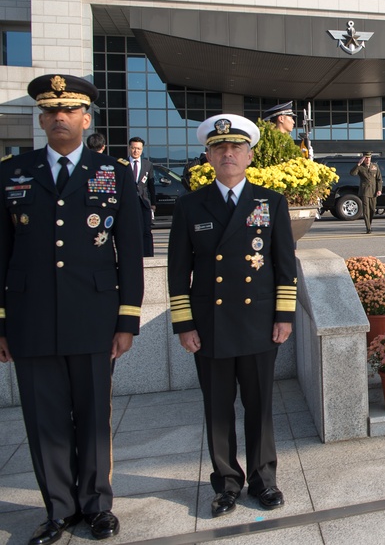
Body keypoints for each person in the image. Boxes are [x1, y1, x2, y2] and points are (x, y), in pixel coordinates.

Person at [0, 74, 144, 544]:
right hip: (31, 318)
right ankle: (58, 511)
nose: (59, 117)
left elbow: (129, 253)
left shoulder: (115, 173)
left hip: (94, 317)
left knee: (93, 414)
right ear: (40, 119)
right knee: (44, 419)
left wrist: (127, 320)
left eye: (69, 110)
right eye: (50, 111)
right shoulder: (13, 172)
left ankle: (97, 506)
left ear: (86, 118)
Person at [168, 114, 295, 519]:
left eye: (236, 147)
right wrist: (184, 324)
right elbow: (177, 271)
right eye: (220, 148)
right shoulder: (190, 206)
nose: (228, 154)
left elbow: (284, 265)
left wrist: (285, 315)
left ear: (250, 155)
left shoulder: (270, 202)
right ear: (207, 156)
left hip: (258, 322)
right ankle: (226, 483)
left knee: (260, 406)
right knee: (217, 408)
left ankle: (263, 480)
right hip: (210, 327)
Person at [128, 136, 156, 256]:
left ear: (142, 149)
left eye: (138, 149)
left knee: (146, 231)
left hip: (144, 202)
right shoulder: (123, 164)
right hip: (128, 203)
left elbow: (151, 186)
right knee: (130, 231)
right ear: (129, 148)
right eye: (133, 148)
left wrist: (153, 204)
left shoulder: (147, 165)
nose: (136, 151)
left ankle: (148, 255)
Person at [350, 152, 382, 234]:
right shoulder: (360, 167)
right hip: (364, 191)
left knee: (372, 209)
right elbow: (352, 173)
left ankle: (369, 224)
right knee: (366, 210)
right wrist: (358, 164)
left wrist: (379, 190)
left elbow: (379, 179)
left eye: (369, 158)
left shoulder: (375, 166)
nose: (368, 160)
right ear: (364, 159)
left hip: (374, 191)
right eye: (366, 158)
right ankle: (368, 227)